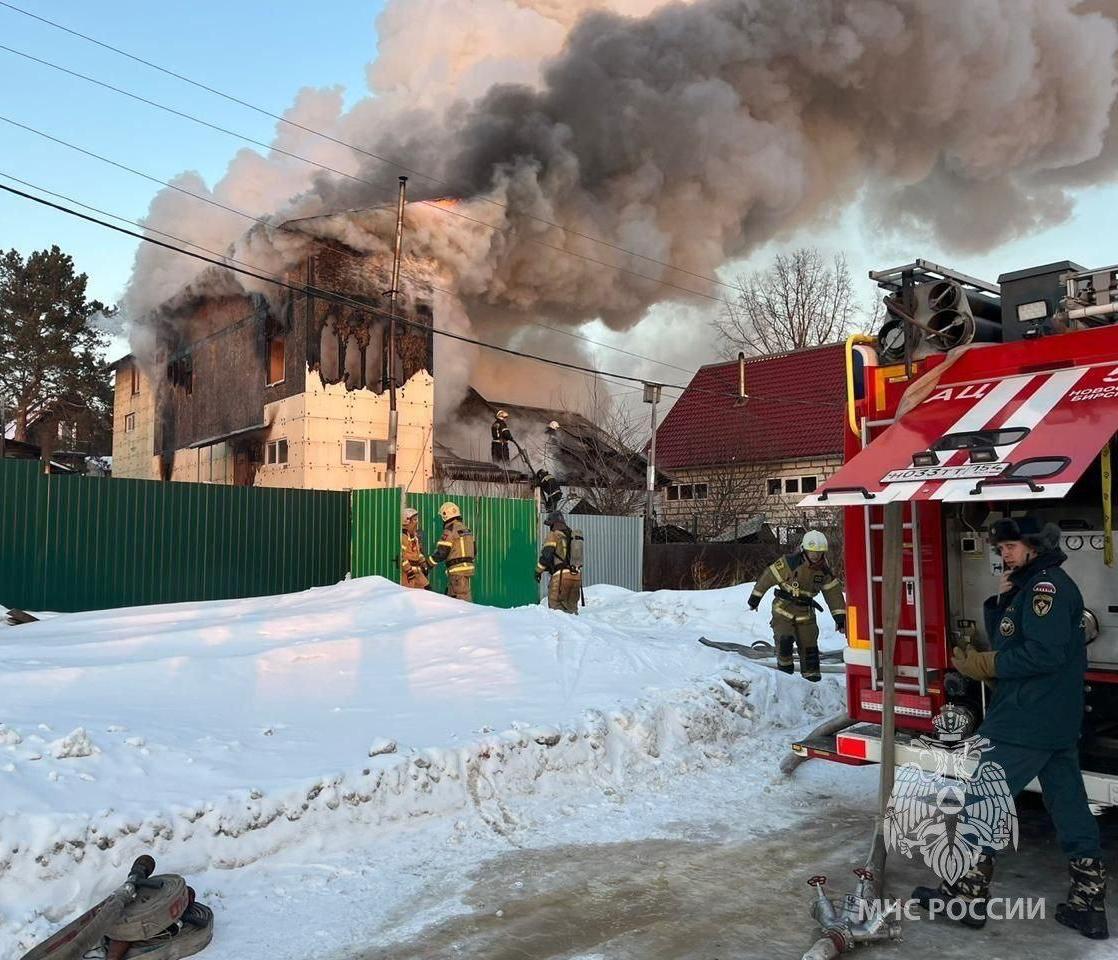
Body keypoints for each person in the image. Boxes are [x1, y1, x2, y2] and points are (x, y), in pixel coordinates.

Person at [913, 516, 1107, 939]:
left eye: (1011, 548)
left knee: (983, 801)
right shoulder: (1030, 586)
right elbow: (1011, 639)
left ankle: (965, 896)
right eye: (1000, 549)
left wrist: (987, 664)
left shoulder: (1046, 589)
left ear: (1034, 546)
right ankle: (1088, 905)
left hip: (1027, 718)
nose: (1004, 555)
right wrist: (1001, 603)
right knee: (1070, 807)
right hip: (1051, 718)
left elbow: (1043, 654)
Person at [747, 530, 845, 681]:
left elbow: (833, 594)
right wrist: (755, 597)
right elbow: (768, 577)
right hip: (783, 609)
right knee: (784, 641)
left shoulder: (824, 572)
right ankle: (786, 677)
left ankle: (812, 682)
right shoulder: (789, 563)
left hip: (806, 613)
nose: (815, 556)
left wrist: (840, 618)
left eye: (818, 553)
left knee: (810, 650)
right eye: (812, 552)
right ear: (804, 549)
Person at [428, 502, 476, 602]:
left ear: (446, 515)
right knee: (459, 595)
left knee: (460, 600)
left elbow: (442, 552)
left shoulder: (450, 530)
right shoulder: (467, 529)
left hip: (457, 572)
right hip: (466, 570)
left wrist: (427, 565)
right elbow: (474, 550)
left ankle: (466, 617)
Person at [537, 513, 583, 614]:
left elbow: (546, 556)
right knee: (572, 609)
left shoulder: (554, 535)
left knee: (556, 610)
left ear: (553, 523)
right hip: (576, 576)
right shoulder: (571, 535)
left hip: (561, 577)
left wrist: (538, 571)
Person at [400, 507, 429, 590]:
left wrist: (423, 563)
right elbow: (401, 555)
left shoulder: (414, 536)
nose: (417, 522)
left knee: (426, 589)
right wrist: (408, 570)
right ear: (407, 521)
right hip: (408, 574)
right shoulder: (404, 537)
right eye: (414, 520)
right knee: (409, 594)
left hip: (417, 571)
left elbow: (417, 552)